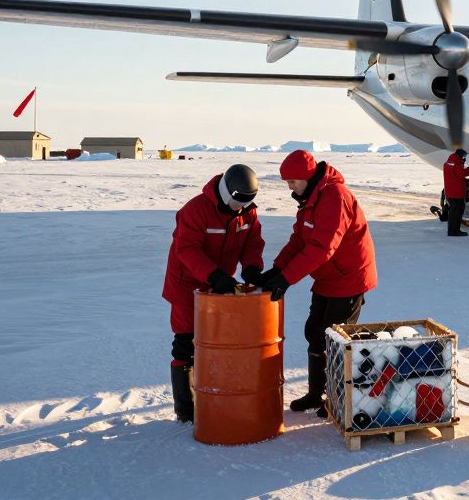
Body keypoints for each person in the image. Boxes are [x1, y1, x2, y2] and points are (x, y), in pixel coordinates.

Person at [255, 150, 377, 415]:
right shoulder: (310, 198)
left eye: (293, 181)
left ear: (307, 177)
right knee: (315, 332)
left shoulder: (335, 196)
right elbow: (300, 240)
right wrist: (276, 269)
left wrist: (286, 279)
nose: (289, 187)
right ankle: (316, 394)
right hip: (326, 276)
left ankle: (337, 398)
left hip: (348, 277)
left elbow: (322, 247)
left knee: (335, 339)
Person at [161, 164, 264, 423]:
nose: (241, 207)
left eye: (246, 202)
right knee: (186, 344)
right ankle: (186, 410)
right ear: (228, 192)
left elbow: (252, 242)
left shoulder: (248, 213)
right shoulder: (195, 211)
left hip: (219, 287)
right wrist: (214, 275)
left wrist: (252, 268)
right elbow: (187, 250)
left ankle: (215, 396)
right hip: (187, 287)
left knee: (216, 342)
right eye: (238, 201)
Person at [442, 148, 469, 236]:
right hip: (457, 193)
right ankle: (455, 231)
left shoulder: (448, 163)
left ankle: (451, 230)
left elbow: (455, 173)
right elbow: (464, 173)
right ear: (460, 156)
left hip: (450, 192)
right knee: (457, 213)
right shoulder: (456, 165)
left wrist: (461, 162)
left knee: (453, 212)